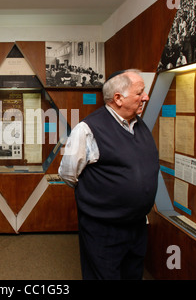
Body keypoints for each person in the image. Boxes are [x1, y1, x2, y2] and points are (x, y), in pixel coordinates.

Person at [58, 69, 159, 280]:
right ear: (118, 98)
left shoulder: (140, 125)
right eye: (140, 92)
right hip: (103, 229)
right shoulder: (87, 129)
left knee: (133, 274)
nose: (146, 97)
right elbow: (68, 174)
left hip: (137, 226)